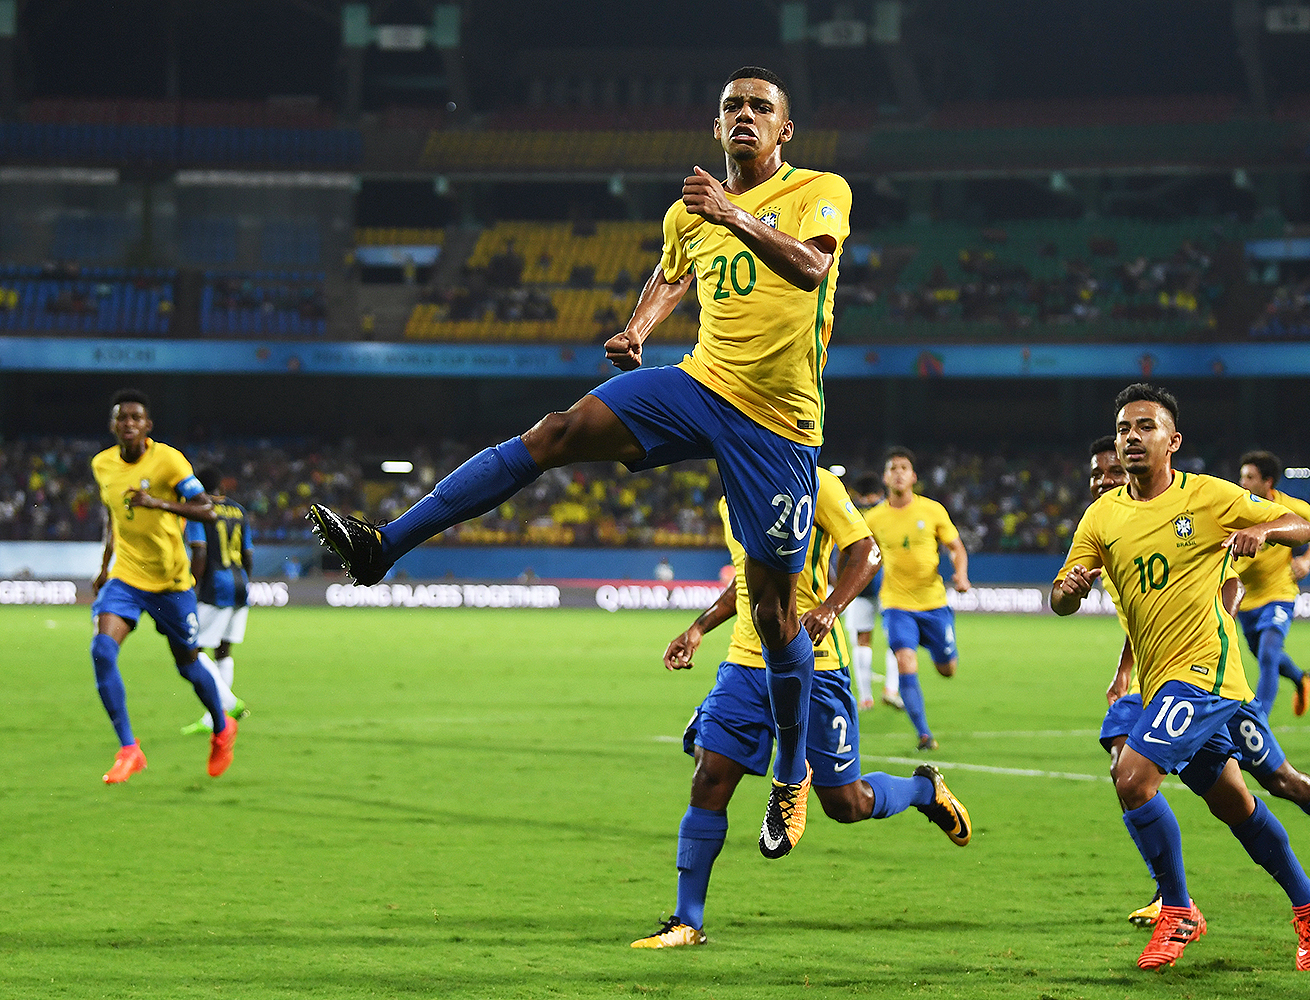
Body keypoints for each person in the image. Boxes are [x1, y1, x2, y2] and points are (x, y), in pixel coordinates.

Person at [309, 67, 851, 860]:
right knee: (556, 431)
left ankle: (790, 777)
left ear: (785, 131)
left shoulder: (815, 189)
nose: (745, 116)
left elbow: (810, 267)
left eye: (760, 108)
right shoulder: (688, 214)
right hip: (701, 382)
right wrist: (637, 328)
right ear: (714, 124)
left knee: (774, 613)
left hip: (780, 426)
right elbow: (673, 272)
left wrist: (731, 212)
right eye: (732, 106)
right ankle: (382, 546)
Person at [1053, 383, 1310, 971]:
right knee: (1235, 805)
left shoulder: (1208, 496)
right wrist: (1069, 590)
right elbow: (1060, 596)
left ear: (1172, 441)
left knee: (1131, 778)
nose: (1131, 437)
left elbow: (1301, 527)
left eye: (1145, 428)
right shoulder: (1100, 515)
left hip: (1203, 674)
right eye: (1124, 429)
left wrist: (1266, 531)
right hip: (1163, 682)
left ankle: (1178, 910)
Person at [632, 469, 971, 948]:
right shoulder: (733, 495)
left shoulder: (816, 484)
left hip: (816, 663)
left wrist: (831, 607)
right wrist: (698, 627)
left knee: (845, 804)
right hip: (745, 664)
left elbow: (867, 552)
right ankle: (687, 920)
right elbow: (750, 584)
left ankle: (922, 790)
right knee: (709, 778)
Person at [1083, 437, 1310, 931]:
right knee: (1124, 763)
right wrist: (1123, 670)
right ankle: (1172, 897)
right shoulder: (1108, 532)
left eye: (1110, 473)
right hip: (1156, 678)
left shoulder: (1201, 511)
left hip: (1210, 674)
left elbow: (1234, 577)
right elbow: (1140, 617)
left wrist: (1208, 636)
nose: (1103, 482)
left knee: (1278, 779)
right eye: (1096, 476)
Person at [89, 389, 238, 784]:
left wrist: (159, 504)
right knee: (102, 650)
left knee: (188, 664)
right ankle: (129, 749)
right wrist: (105, 567)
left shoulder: (169, 461)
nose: (129, 424)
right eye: (122, 418)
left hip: (171, 582)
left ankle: (223, 729)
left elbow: (207, 509)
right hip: (126, 577)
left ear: (147, 426)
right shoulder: (102, 465)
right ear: (114, 425)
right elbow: (113, 517)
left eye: (136, 418)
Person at [861, 448, 970, 751]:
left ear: (913, 477)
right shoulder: (873, 518)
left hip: (934, 604)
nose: (898, 472)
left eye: (904, 467)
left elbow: (956, 547)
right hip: (897, 605)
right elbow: (857, 552)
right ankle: (924, 734)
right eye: (892, 467)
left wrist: (960, 575)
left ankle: (934, 645)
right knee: (905, 661)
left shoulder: (932, 510)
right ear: (885, 477)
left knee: (947, 669)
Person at [1235, 450, 1310, 716]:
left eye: (1250, 477)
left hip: (1280, 593)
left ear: (1268, 482)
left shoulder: (1290, 508)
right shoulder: (1236, 507)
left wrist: (1308, 559)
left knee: (1267, 653)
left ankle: (1258, 720)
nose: (1243, 483)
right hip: (1245, 600)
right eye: (1242, 476)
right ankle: (1301, 678)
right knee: (1266, 655)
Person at [181, 465, 253, 735]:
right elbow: (248, 554)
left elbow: (199, 552)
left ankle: (229, 703)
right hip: (239, 585)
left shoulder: (200, 512)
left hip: (215, 587)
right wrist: (245, 583)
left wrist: (191, 587)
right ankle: (215, 719)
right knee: (223, 651)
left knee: (193, 651)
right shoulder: (239, 510)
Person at [839, 471, 886, 709]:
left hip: (862, 582)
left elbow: (844, 550)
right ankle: (892, 689)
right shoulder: (889, 511)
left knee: (861, 639)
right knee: (899, 642)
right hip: (892, 583)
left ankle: (866, 697)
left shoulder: (853, 513)